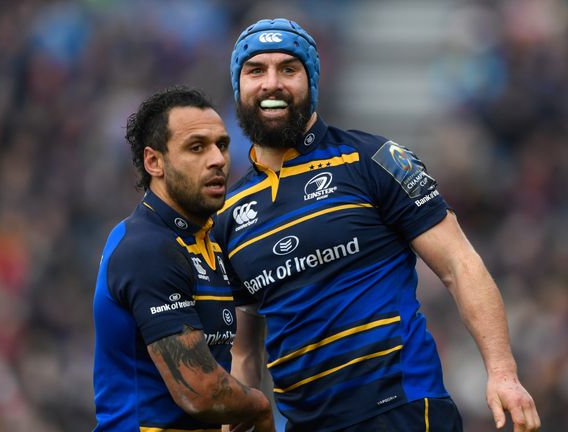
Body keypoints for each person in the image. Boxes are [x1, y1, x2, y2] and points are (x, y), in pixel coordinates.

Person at [213, 18, 541, 432]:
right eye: (256, 70)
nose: (271, 83)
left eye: (288, 69)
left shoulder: (373, 160)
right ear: (238, 87)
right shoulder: (228, 214)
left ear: (311, 81)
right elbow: (245, 353)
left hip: (403, 411)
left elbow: (460, 264)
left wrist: (502, 372)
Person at [92, 86, 274, 432]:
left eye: (221, 144)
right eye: (196, 147)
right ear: (154, 162)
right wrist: (258, 407)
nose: (218, 159)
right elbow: (200, 392)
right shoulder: (147, 248)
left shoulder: (207, 240)